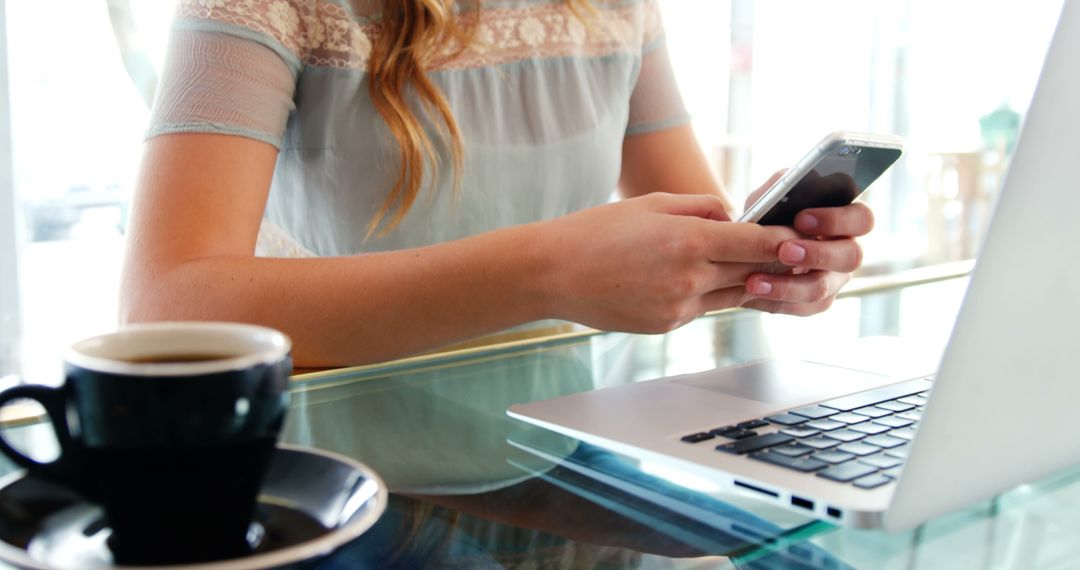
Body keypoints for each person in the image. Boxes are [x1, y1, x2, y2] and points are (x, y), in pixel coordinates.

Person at [120, 0, 873, 367]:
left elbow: (696, 217)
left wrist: (768, 257)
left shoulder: (618, 7)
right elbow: (163, 307)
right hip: (343, 477)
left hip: (561, 444)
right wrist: (546, 271)